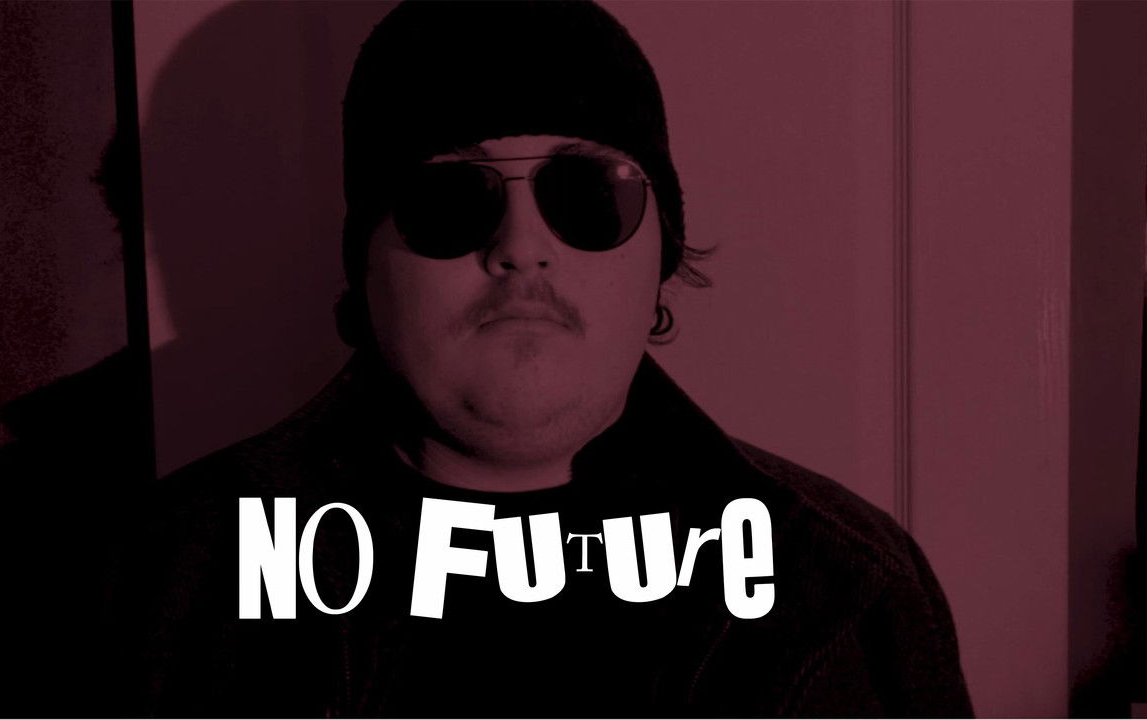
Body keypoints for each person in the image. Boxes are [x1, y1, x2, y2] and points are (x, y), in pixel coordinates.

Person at [113, 2, 973, 716]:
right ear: (364, 263)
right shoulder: (165, 582)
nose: (522, 246)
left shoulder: (846, 588)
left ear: (661, 253)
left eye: (588, 195)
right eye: (450, 197)